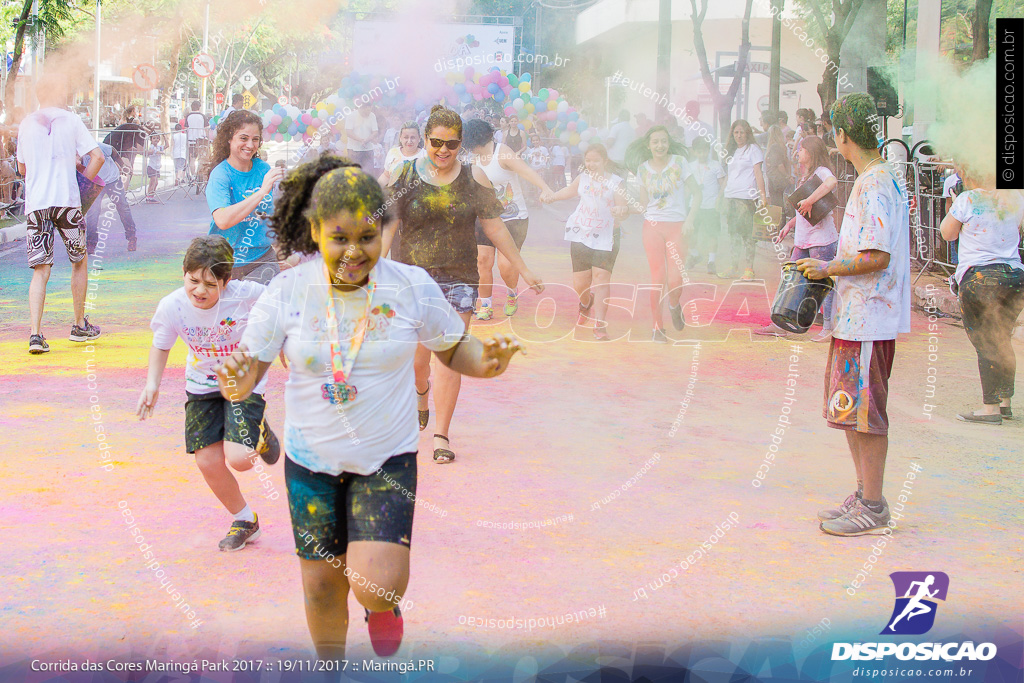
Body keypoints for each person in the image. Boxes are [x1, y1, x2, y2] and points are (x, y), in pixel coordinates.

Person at [215, 156, 526, 658]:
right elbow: (252, 363)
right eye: (340, 238)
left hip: (387, 460)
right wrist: (238, 378)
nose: (354, 252)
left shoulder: (409, 285)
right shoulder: (287, 291)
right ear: (315, 231)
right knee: (321, 586)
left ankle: (381, 609)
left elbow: (451, 346)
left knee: (376, 585)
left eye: (368, 237)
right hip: (311, 461)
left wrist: (487, 360)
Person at [384, 105, 544, 463]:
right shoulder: (404, 174)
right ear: (426, 140)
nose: (443, 150)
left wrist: (524, 268)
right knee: (417, 361)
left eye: (451, 143)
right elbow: (388, 226)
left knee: (450, 357)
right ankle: (420, 392)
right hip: (412, 277)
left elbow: (495, 227)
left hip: (459, 278)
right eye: (436, 142)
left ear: (461, 145)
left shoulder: (476, 179)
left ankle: (442, 435)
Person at [796, 92, 911, 537]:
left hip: (869, 319)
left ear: (842, 136)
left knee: (865, 413)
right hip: (857, 318)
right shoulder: (877, 178)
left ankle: (875, 506)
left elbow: (876, 255)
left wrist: (827, 267)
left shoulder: (875, 182)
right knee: (849, 409)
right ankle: (864, 495)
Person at [137, 235, 280, 551]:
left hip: (243, 381)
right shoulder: (172, 305)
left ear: (226, 282)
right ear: (184, 274)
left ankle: (261, 434)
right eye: (193, 281)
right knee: (207, 461)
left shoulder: (246, 295)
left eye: (210, 284)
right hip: (202, 384)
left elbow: (280, 306)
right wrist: (152, 385)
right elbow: (161, 345)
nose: (199, 291)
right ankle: (245, 520)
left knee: (240, 459)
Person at [18, 73, 104, 354]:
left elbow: (22, 170)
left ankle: (35, 334)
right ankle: (79, 325)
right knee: (79, 260)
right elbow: (98, 157)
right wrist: (83, 187)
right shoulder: (71, 120)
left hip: (37, 204)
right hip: (67, 201)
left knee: (40, 269)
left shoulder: (26, 123)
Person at [939, 170, 1024, 424]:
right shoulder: (1014, 197)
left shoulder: (969, 199)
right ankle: (1005, 402)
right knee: (1002, 339)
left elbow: (947, 234)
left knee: (986, 341)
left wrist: (955, 204)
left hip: (980, 278)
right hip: (1014, 276)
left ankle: (990, 408)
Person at [463, 119, 554, 322]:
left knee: (506, 265)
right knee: (482, 260)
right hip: (485, 216)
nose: (470, 148)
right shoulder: (473, 159)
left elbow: (526, 171)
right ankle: (485, 305)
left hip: (513, 217)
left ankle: (512, 293)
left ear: (478, 140)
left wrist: (545, 188)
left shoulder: (502, 152)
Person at [542, 143, 628, 340]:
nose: (591, 164)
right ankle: (585, 303)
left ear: (604, 161)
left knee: (601, 279)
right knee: (581, 284)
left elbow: (623, 206)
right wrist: (551, 197)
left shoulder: (616, 182)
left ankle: (600, 324)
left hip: (607, 236)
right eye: (588, 160)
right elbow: (569, 191)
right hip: (581, 233)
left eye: (595, 160)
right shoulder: (583, 179)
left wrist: (620, 212)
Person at [760, 135, 839, 341]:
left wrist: (811, 200)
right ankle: (783, 322)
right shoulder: (805, 176)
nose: (797, 153)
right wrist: (789, 224)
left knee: (823, 283)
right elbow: (803, 211)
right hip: (804, 238)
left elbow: (832, 182)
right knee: (791, 279)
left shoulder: (822, 172)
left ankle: (829, 327)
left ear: (811, 152)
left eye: (801, 149)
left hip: (821, 238)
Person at [629, 125, 701, 341]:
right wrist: (624, 209)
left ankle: (673, 304)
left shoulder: (679, 163)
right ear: (648, 145)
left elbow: (697, 194)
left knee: (675, 279)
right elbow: (643, 204)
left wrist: (690, 220)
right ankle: (657, 328)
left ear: (668, 143)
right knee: (658, 278)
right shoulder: (642, 169)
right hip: (652, 227)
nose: (660, 145)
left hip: (678, 226)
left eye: (663, 141)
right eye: (655, 142)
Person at [205, 110, 285, 284]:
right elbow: (223, 220)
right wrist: (262, 192)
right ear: (229, 139)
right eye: (243, 138)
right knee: (231, 311)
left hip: (262, 259)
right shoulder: (220, 174)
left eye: (255, 139)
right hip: (226, 263)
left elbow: (271, 214)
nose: (250, 145)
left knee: (268, 310)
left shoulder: (263, 168)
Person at [721, 119, 767, 281]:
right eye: (736, 133)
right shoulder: (732, 151)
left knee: (747, 234)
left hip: (747, 198)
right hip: (730, 196)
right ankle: (733, 267)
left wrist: (763, 196)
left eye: (742, 132)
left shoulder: (753, 149)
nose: (739, 136)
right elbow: (729, 175)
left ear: (747, 133)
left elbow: (758, 173)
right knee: (732, 233)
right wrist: (721, 195)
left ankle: (749, 269)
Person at [685, 136, 725, 274]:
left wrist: (720, 199)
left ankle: (711, 261)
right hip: (694, 206)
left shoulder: (715, 165)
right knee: (690, 233)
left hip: (711, 206)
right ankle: (695, 255)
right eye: (699, 151)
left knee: (712, 234)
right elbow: (687, 186)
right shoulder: (690, 166)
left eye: (705, 151)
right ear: (694, 152)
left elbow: (723, 184)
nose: (702, 154)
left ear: (708, 150)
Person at [378, 120, 424, 185]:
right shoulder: (393, 152)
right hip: (393, 194)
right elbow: (386, 175)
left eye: (413, 137)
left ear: (419, 138)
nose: (409, 141)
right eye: (406, 137)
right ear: (400, 138)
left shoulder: (425, 156)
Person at [345, 101, 379, 173]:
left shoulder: (372, 115)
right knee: (355, 172)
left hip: (368, 149)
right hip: (354, 150)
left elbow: (375, 131)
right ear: (361, 108)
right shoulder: (351, 116)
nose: (368, 112)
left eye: (369, 110)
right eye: (366, 110)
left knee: (369, 171)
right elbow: (348, 132)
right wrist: (360, 140)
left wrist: (366, 140)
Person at [763, 125, 791, 209]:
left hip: (775, 179)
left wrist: (787, 176)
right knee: (779, 203)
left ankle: (779, 221)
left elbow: (779, 165)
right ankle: (780, 220)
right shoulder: (781, 147)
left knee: (777, 204)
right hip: (778, 179)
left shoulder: (774, 147)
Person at [185, 101, 210, 178]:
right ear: (199, 107)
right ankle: (200, 174)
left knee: (192, 158)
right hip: (201, 140)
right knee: (201, 158)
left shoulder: (188, 116)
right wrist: (208, 138)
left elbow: (186, 128)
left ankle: (193, 176)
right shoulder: (202, 116)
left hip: (191, 140)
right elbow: (206, 128)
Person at [145, 126, 164, 203]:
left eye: (157, 138)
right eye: (154, 138)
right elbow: (153, 151)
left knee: (155, 183)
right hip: (152, 167)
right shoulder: (152, 147)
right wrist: (160, 152)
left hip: (157, 167)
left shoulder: (159, 147)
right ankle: (149, 197)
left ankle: (151, 196)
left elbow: (167, 146)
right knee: (153, 182)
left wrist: (164, 137)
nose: (156, 140)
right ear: (151, 140)